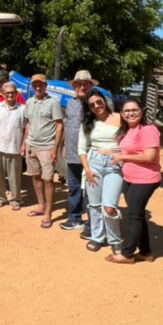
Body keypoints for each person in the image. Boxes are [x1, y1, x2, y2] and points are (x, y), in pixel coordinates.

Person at [112, 97, 162, 264]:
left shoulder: (147, 129)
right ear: (122, 113)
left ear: (141, 111)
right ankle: (146, 251)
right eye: (126, 111)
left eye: (134, 110)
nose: (130, 113)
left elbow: (150, 156)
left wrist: (122, 157)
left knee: (133, 215)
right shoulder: (129, 129)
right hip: (130, 178)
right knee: (138, 214)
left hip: (145, 179)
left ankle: (127, 253)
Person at [79, 89, 123, 254]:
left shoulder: (119, 118)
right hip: (94, 164)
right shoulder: (88, 123)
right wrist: (87, 170)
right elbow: (81, 148)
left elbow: (130, 139)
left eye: (99, 102)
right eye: (92, 105)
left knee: (109, 206)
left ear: (105, 101)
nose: (97, 106)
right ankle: (97, 237)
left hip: (115, 165)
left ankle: (115, 239)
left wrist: (120, 153)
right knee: (95, 206)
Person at [22, 74, 64, 229]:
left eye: (41, 85)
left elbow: (59, 125)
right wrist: (24, 143)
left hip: (47, 147)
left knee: (48, 180)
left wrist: (55, 148)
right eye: (35, 85)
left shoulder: (53, 102)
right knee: (35, 176)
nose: (38, 87)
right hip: (31, 144)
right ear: (32, 87)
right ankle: (41, 205)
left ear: (46, 86)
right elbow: (28, 124)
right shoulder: (29, 102)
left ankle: (48, 212)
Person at [60, 70, 97, 235]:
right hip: (73, 153)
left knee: (90, 190)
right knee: (74, 187)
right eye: (78, 84)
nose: (81, 87)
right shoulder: (70, 103)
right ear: (74, 86)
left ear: (90, 86)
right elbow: (67, 127)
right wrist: (64, 146)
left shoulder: (95, 104)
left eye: (85, 84)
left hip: (90, 155)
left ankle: (92, 224)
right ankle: (75, 218)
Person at [0, 83, 25, 209]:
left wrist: (23, 145)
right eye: (7, 93)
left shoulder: (22, 109)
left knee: (14, 176)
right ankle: (1, 198)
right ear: (3, 94)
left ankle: (15, 199)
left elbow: (26, 128)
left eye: (12, 92)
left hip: (15, 147)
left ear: (16, 94)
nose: (10, 95)